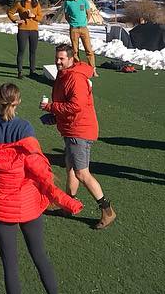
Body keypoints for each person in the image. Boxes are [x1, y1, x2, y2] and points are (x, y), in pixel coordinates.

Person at [0, 83, 83, 294]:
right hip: (28, 201)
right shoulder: (25, 129)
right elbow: (39, 166)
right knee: (40, 255)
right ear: (18, 102)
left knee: (9, 263)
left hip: (0, 204)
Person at [43, 43, 115, 229]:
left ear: (71, 58)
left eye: (62, 59)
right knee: (70, 168)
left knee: (82, 173)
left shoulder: (75, 78)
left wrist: (52, 108)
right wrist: (55, 116)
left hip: (79, 131)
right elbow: (66, 103)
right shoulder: (64, 74)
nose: (58, 62)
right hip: (71, 128)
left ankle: (107, 209)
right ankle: (69, 205)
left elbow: (76, 106)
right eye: (56, 58)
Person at [8, 0, 44, 78]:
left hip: (34, 31)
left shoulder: (36, 5)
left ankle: (32, 71)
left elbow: (40, 17)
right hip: (23, 30)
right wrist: (15, 20)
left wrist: (33, 16)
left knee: (33, 52)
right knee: (21, 51)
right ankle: (20, 72)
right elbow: (10, 12)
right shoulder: (19, 4)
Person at [62, 0, 96, 67]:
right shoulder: (68, 3)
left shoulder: (84, 1)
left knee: (88, 49)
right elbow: (66, 16)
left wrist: (85, 22)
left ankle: (92, 68)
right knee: (75, 50)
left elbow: (88, 13)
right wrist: (72, 23)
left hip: (84, 28)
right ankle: (77, 67)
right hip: (74, 29)